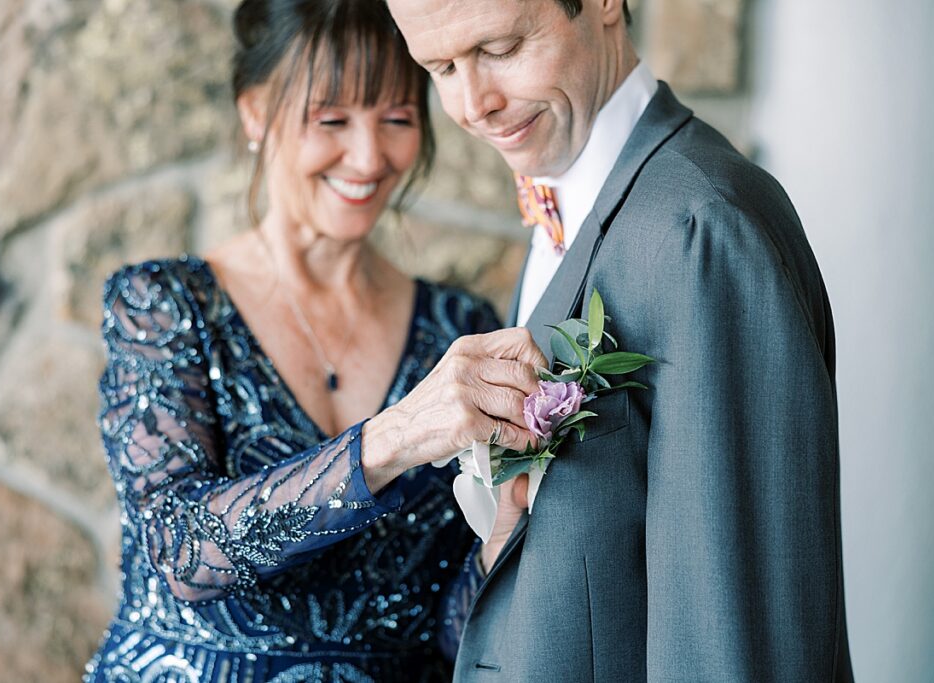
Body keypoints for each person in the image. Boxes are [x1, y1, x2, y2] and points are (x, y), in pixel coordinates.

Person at [386, 0, 855, 680]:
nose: (474, 104)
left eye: (500, 48)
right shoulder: (567, 204)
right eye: (442, 67)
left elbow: (733, 637)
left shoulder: (701, 229)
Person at [83, 1, 545, 681]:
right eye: (331, 119)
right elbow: (181, 547)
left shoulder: (457, 326)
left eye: (396, 119)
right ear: (254, 113)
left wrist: (499, 547)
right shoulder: (165, 304)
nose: (368, 156)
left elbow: (449, 633)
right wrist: (393, 436)